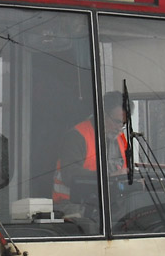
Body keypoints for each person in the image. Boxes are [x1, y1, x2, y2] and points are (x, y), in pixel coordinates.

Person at [53, 91, 129, 222]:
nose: (119, 128)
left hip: (107, 204)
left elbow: (125, 172)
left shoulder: (121, 139)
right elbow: (70, 174)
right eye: (117, 122)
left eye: (123, 123)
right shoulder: (76, 136)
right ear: (103, 115)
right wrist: (109, 177)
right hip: (72, 205)